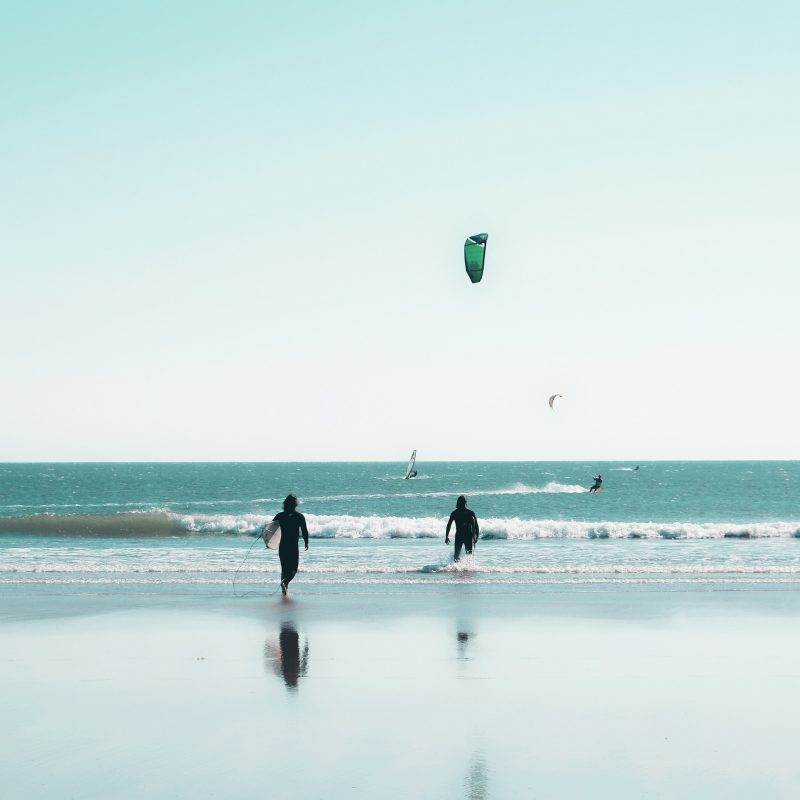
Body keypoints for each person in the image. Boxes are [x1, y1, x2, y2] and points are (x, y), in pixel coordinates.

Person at [270, 494, 309, 595]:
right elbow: (304, 531)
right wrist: (306, 542)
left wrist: (267, 540)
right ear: (295, 504)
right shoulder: (299, 516)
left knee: (284, 568)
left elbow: (270, 529)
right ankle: (285, 582)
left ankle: (285, 586)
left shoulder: (280, 515)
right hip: (293, 546)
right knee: (293, 568)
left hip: (283, 545)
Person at [445, 495, 479, 561]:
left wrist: (476, 537)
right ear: (465, 502)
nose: (463, 504)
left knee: (464, 555)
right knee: (462, 555)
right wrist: (446, 536)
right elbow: (449, 525)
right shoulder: (468, 513)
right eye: (462, 502)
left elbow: (476, 525)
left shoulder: (456, 513)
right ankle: (465, 569)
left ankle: (458, 568)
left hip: (463, 536)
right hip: (465, 536)